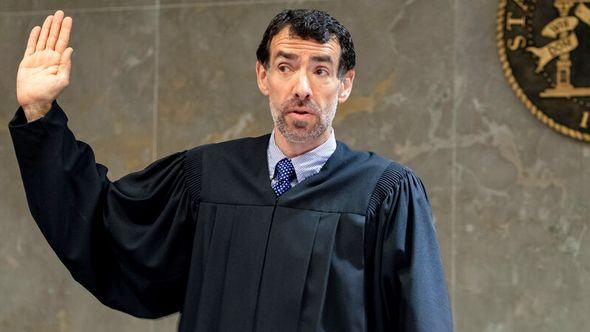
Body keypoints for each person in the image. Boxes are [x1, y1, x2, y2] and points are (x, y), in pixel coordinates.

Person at [9, 8, 453, 332]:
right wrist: (39, 111)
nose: (302, 88)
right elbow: (106, 224)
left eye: (321, 70)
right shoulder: (205, 178)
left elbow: (422, 320)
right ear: (263, 76)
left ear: (346, 83)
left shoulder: (384, 194)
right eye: (286, 67)